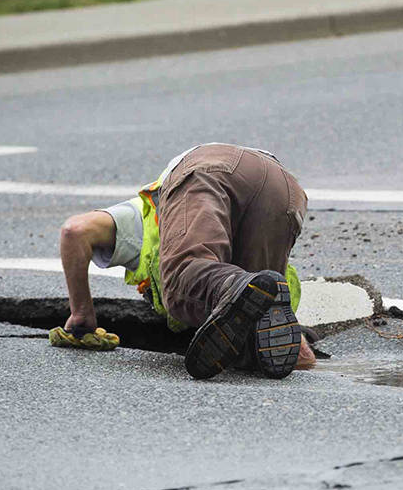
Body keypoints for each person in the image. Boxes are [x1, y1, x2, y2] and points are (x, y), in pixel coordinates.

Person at [51, 143, 315, 378]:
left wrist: (81, 315)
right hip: (284, 188)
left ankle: (226, 291)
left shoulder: (139, 219)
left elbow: (74, 230)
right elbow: (300, 354)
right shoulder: (262, 286)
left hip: (210, 168)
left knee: (181, 281)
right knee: (250, 331)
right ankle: (249, 343)